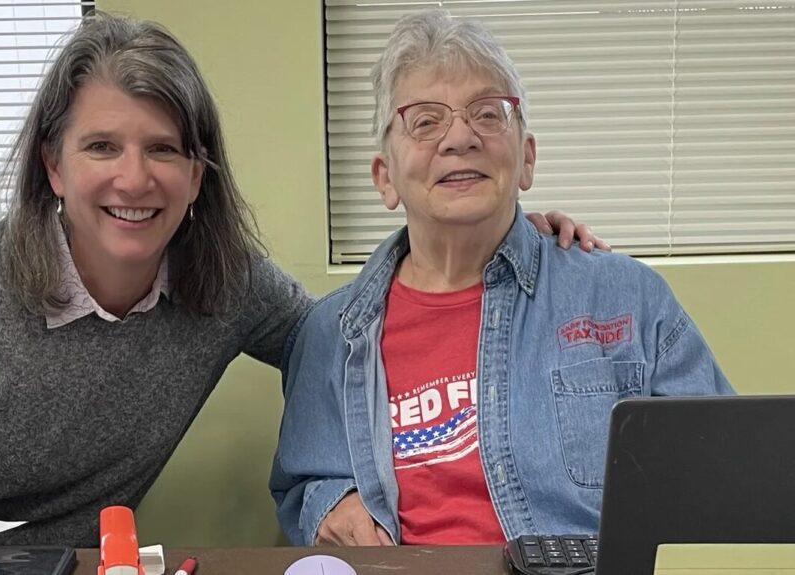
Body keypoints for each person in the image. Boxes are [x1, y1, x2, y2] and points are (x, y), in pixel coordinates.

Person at [0, 11, 604, 547]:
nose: (134, 179)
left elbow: (348, 343)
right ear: (53, 165)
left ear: (199, 172)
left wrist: (502, 233)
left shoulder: (224, 279)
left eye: (164, 149)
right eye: (102, 146)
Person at [269, 10, 734, 548]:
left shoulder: (627, 298)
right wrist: (330, 500)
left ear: (526, 159)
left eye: (488, 114)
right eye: (425, 121)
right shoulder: (331, 332)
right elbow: (302, 483)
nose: (460, 137)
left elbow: (724, 467)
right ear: (385, 177)